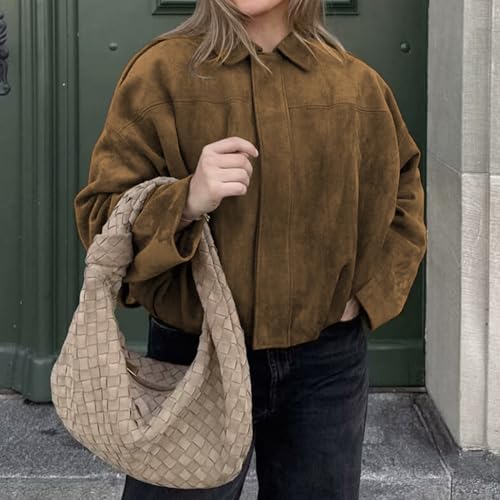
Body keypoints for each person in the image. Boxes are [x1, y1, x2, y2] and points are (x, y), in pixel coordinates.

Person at [73, 0, 428, 498]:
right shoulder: (161, 75)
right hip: (193, 359)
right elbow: (100, 218)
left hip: (324, 367)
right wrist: (185, 200)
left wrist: (364, 299)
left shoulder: (357, 86)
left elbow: (403, 203)